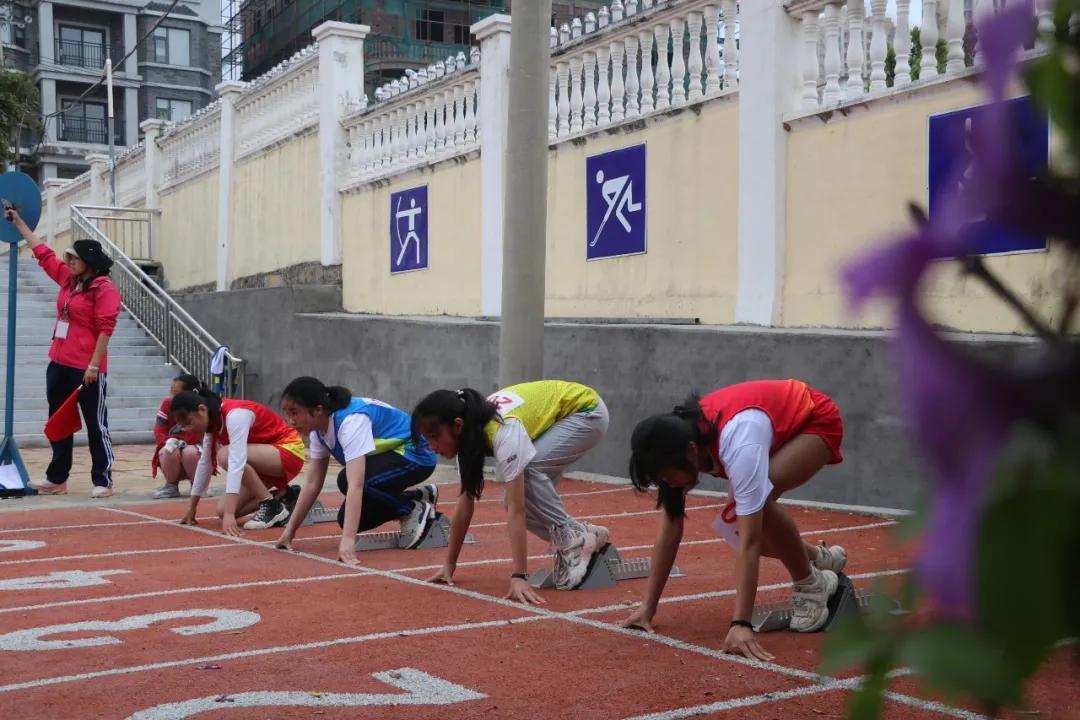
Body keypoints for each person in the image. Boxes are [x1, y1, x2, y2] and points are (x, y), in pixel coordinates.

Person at [620, 378, 849, 661]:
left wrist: (741, 624)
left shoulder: (739, 442)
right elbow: (670, 529)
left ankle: (812, 584)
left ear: (692, 451)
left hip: (813, 420)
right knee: (733, 524)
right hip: (770, 428)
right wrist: (648, 606)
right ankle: (818, 557)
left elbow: (751, 542)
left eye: (667, 476)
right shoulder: (677, 441)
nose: (666, 484)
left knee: (756, 508)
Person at [411, 380, 610, 603]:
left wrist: (519, 576)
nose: (431, 445)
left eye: (434, 436)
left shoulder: (503, 432)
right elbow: (464, 506)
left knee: (527, 475)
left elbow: (518, 511)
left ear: (457, 425)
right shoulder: (469, 437)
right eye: (426, 438)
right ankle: (583, 534)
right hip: (562, 418)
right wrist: (449, 565)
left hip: (587, 411)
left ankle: (574, 541)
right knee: (513, 498)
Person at [5, 208, 120, 498]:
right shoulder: (69, 281)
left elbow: (106, 329)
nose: (68, 262)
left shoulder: (104, 290)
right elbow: (44, 254)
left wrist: (94, 366)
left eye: (74, 258)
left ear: (89, 263)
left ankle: (102, 479)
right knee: (59, 422)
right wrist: (19, 223)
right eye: (68, 258)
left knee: (96, 424)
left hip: (87, 368)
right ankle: (57, 479)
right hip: (58, 363)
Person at [274, 376, 438, 565]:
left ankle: (411, 508)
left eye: (294, 412)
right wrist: (289, 532)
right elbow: (312, 484)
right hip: (390, 459)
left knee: (353, 481)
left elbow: (357, 484)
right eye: (286, 413)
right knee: (347, 520)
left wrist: (348, 541)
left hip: (417, 455)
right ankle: (416, 496)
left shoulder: (350, 422)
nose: (289, 421)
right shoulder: (318, 430)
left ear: (317, 410)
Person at [170, 385, 306, 536]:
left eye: (188, 422)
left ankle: (272, 506)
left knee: (225, 455)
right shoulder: (212, 424)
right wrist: (192, 506)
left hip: (289, 451)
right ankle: (285, 495)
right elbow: (205, 463)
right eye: (183, 427)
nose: (188, 429)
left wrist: (230, 515)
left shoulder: (235, 415)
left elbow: (236, 462)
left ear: (202, 410)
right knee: (222, 510)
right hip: (263, 460)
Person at [152, 374, 205, 499]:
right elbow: (159, 429)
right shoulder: (167, 404)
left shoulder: (200, 407)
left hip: (195, 450)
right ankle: (171, 485)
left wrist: (179, 441)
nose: (172, 396)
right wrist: (168, 441)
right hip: (174, 448)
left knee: (190, 452)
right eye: (171, 391)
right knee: (167, 450)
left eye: (176, 393)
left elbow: (196, 435)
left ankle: (198, 486)